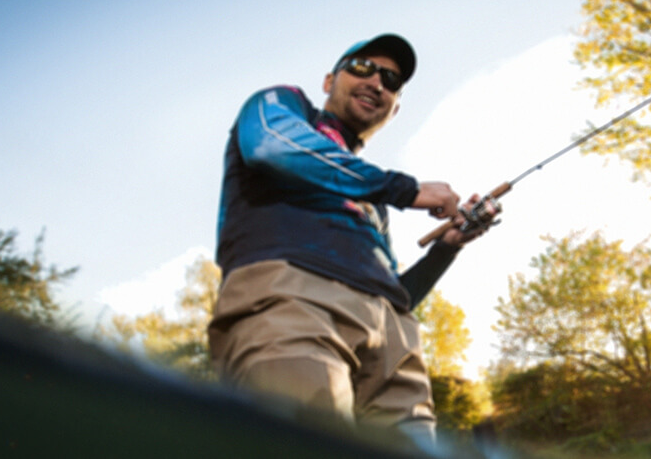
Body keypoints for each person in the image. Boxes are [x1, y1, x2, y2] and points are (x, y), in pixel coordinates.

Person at [207, 33, 493, 452]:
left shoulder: (375, 202)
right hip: (294, 298)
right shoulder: (285, 105)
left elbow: (398, 294)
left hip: (396, 342)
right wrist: (405, 189)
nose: (377, 82)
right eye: (362, 67)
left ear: (395, 109)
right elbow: (271, 146)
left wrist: (447, 247)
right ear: (329, 80)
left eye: (392, 81)